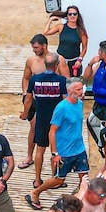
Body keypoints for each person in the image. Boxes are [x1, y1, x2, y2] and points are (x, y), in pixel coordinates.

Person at [30, 78, 89, 205]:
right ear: (69, 90)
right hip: (65, 151)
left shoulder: (80, 104)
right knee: (58, 180)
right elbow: (52, 131)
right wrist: (54, 153)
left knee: (84, 178)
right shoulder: (61, 108)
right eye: (77, 89)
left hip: (79, 148)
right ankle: (35, 193)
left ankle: (82, 204)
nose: (81, 92)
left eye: (81, 89)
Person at [22, 54, 66, 203]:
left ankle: (37, 179)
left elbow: (28, 99)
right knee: (56, 149)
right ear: (56, 66)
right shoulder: (61, 81)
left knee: (39, 150)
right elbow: (66, 100)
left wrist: (25, 113)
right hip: (56, 121)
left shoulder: (35, 79)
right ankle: (55, 177)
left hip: (41, 119)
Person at [18, 35, 52, 168]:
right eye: (33, 47)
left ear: (44, 46)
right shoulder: (31, 61)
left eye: (36, 47)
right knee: (33, 127)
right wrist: (26, 93)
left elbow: (64, 80)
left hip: (51, 100)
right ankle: (29, 156)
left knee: (54, 128)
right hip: (35, 99)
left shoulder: (56, 59)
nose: (34, 50)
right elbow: (26, 78)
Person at [45, 5, 88, 78]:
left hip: (73, 62)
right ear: (67, 16)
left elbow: (84, 48)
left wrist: (79, 60)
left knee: (71, 84)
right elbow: (46, 32)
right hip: (60, 60)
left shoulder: (81, 31)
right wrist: (50, 20)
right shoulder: (61, 27)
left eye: (75, 14)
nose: (72, 16)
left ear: (78, 16)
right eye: (70, 14)